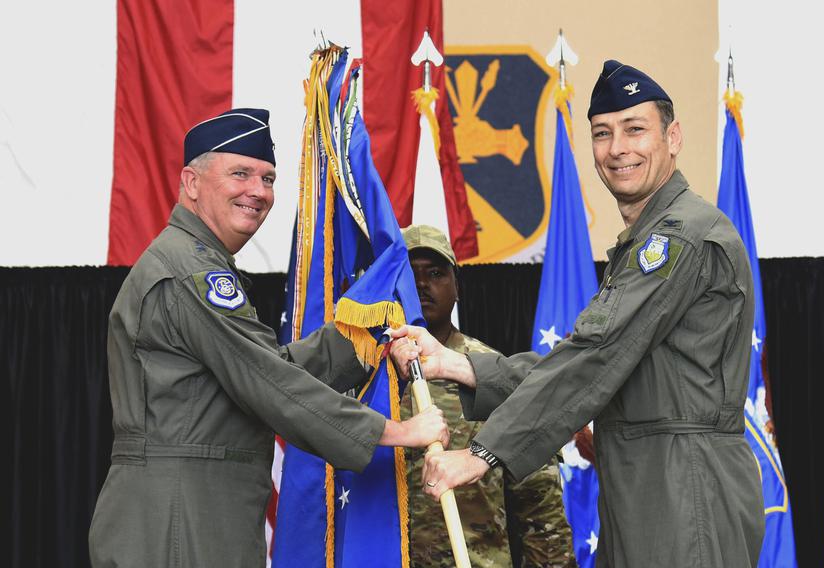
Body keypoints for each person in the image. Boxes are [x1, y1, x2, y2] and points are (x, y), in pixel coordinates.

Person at [391, 61, 765, 568]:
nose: (617, 149)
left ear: (673, 137)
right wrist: (457, 364)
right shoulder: (647, 240)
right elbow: (591, 360)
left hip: (683, 489)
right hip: (646, 485)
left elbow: (596, 356)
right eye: (603, 133)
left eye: (636, 129)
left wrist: (481, 455)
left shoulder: (679, 236)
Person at [88, 108, 448, 567]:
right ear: (192, 183)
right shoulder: (190, 271)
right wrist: (394, 431)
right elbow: (266, 382)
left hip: (194, 511)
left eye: (269, 178)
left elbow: (263, 368)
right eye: (241, 174)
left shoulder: (197, 261)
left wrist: (364, 332)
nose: (259, 192)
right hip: (177, 519)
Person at [398, 225, 575, 567]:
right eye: (408, 273)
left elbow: (540, 506)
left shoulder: (488, 374)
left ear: (457, 288)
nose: (421, 284)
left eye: (435, 273)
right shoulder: (365, 380)